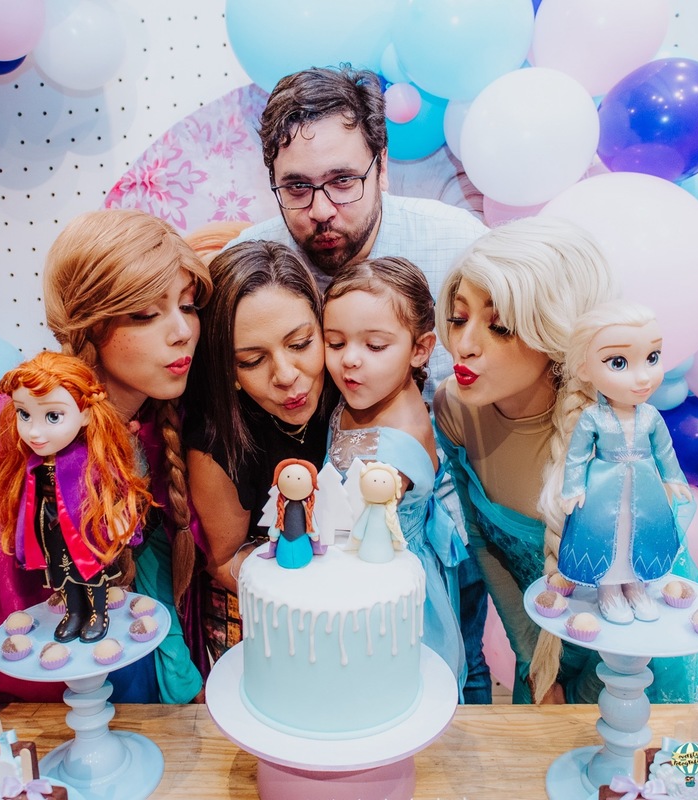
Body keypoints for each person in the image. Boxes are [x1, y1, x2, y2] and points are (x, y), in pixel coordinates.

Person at [229, 63, 492, 703]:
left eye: (344, 181)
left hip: (451, 514)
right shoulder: (252, 262)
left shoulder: (458, 248)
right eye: (296, 188)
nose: (322, 211)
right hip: (318, 523)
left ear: (381, 163)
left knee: (453, 661)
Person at [0, 209, 211, 704]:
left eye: (188, 306)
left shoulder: (161, 424)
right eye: (145, 313)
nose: (182, 332)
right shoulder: (10, 427)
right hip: (38, 695)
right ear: (88, 325)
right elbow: (6, 595)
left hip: (135, 671)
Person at [433, 216, 698, 705]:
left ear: (557, 334)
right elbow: (486, 543)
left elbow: (639, 597)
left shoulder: (615, 437)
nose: (464, 345)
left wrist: (587, 693)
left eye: (501, 326)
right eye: (460, 317)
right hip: (545, 651)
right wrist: (536, 664)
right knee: (544, 780)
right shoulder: (456, 409)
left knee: (668, 778)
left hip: (642, 658)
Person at [183, 239, 339, 662]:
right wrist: (314, 593)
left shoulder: (353, 388)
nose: (287, 376)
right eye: (252, 361)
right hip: (267, 628)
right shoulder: (216, 442)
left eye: (302, 343)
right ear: (226, 369)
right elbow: (225, 560)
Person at [322, 255, 467, 691]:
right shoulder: (363, 399)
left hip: (390, 593)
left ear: (420, 349)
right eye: (335, 342)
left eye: (375, 346)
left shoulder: (399, 442)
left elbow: (362, 532)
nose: (350, 360)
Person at [0, 352, 153, 644]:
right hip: (51, 528)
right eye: (24, 414)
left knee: (90, 571)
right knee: (61, 572)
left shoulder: (92, 460)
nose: (34, 431)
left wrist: (120, 518)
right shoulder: (34, 462)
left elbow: (120, 490)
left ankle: (98, 613)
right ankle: (74, 612)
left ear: (85, 413)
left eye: (52, 416)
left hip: (85, 529)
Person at [543, 301, 692, 625]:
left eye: (652, 358)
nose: (642, 376)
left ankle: (635, 586)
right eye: (619, 362)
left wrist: (674, 479)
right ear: (585, 368)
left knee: (639, 533)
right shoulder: (592, 418)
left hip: (647, 489)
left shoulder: (651, 416)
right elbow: (578, 456)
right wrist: (572, 489)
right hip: (601, 490)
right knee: (609, 535)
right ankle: (609, 590)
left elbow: (664, 450)